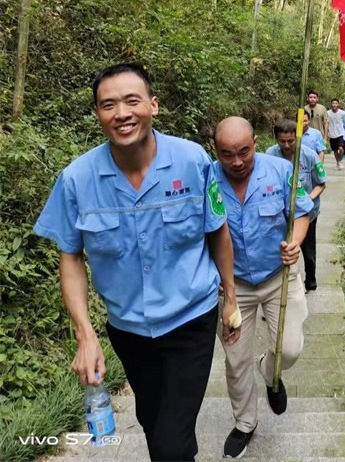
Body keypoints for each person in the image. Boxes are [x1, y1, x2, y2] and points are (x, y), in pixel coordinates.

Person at [33, 63, 240, 462]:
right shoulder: (77, 179)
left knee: (169, 443)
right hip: (127, 328)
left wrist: (229, 298)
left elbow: (218, 231)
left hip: (191, 318)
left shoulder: (192, 161)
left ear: (153, 105)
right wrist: (85, 334)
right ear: (97, 114)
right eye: (108, 105)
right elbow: (70, 255)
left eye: (132, 101)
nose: (122, 113)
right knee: (151, 419)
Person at [213, 117, 313, 459]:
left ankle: (270, 372)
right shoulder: (207, 180)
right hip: (233, 286)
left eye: (244, 151)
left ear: (255, 143)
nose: (237, 161)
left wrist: (295, 242)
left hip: (278, 278)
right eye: (228, 154)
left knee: (289, 349)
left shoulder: (281, 171)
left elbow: (302, 212)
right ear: (217, 151)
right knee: (235, 359)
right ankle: (245, 423)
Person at [267, 119, 327, 293]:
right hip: (280, 214)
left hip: (307, 214)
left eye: (291, 141)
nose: (286, 145)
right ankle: (281, 287)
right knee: (284, 250)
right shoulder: (270, 155)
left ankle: (311, 281)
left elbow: (321, 184)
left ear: (297, 138)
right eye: (282, 141)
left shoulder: (309, 155)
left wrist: (306, 200)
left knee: (307, 251)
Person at [327, 98, 345, 170]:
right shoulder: (328, 113)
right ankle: (338, 162)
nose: (334, 105)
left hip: (340, 134)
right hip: (332, 134)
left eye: (336, 103)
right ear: (331, 104)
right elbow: (326, 123)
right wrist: (327, 133)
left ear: (338, 104)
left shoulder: (343, 113)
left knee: (341, 149)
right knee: (335, 150)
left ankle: (339, 161)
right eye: (333, 103)